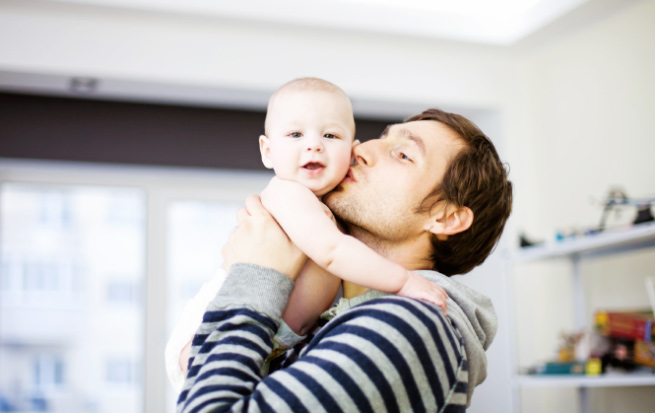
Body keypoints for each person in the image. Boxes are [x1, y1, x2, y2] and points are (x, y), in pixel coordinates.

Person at [176, 108, 513, 412]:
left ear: (445, 217)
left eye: (402, 154)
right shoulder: (324, 316)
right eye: (381, 137)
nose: (360, 149)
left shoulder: (409, 325)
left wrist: (256, 274)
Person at [165, 78, 448, 392]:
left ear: (352, 152)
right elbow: (332, 251)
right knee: (210, 384)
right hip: (206, 329)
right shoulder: (288, 194)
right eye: (295, 134)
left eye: (330, 134)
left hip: (272, 343)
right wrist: (404, 281)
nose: (313, 145)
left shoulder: (337, 210)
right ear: (268, 151)